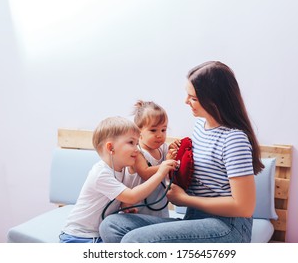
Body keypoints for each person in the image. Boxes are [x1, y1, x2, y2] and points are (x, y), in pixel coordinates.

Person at [99, 61, 264, 243]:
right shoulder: (201, 126)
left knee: (135, 241)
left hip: (227, 227)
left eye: (193, 97)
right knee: (112, 225)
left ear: (213, 100)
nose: (186, 101)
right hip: (195, 219)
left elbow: (244, 207)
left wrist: (185, 199)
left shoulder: (234, 140)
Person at [59, 116, 177, 243]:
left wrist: (124, 206)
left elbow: (123, 199)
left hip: (98, 235)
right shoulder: (101, 173)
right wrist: (160, 173)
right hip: (79, 237)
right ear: (110, 148)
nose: (137, 149)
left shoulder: (121, 170)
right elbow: (132, 196)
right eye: (131, 143)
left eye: (137, 144)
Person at [126, 100, 179, 217]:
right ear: (138, 132)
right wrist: (165, 164)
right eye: (153, 130)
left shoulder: (162, 148)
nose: (159, 135)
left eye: (163, 130)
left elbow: (170, 167)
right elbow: (145, 173)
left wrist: (173, 151)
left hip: (158, 209)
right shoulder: (138, 152)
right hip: (139, 210)